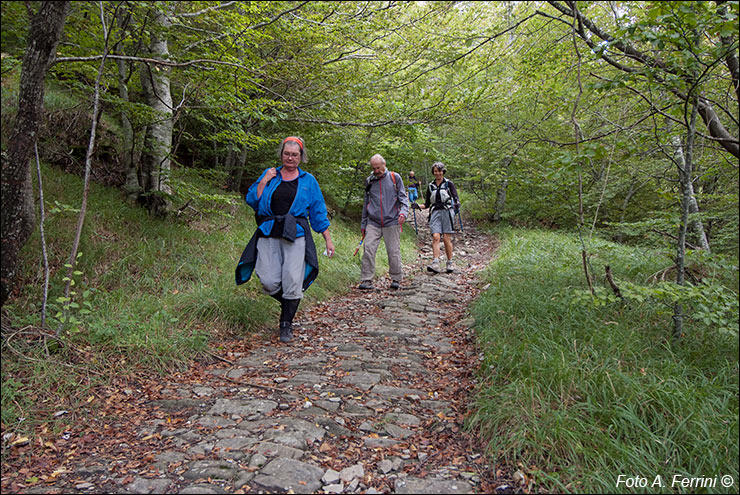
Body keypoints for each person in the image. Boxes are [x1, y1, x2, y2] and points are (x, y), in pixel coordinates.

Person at [235, 136, 335, 343]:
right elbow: (253, 200)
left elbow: (318, 211)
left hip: (295, 234)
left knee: (292, 279)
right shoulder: (270, 174)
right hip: (269, 230)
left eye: (294, 155)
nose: (290, 158)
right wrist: (264, 180)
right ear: (281, 155)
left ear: (301, 157)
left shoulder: (308, 181)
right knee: (269, 281)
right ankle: (289, 301)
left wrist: (327, 239)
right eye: (286, 154)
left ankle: (285, 324)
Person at [358, 154, 409, 291]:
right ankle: (366, 279)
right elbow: (366, 203)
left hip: (391, 220)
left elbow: (403, 199)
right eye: (374, 168)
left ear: (384, 164)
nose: (376, 171)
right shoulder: (370, 180)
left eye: (378, 168)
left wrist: (403, 213)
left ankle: (396, 278)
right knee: (368, 249)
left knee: (393, 251)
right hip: (373, 222)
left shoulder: (395, 178)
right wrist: (363, 224)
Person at [414, 161, 460, 274]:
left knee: (446, 238)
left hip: (447, 212)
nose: (437, 173)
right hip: (435, 213)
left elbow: (456, 198)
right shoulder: (430, 186)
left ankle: (450, 262)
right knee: (435, 237)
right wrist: (417, 206)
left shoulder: (449, 184)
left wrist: (457, 204)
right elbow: (427, 204)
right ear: (433, 172)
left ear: (443, 171)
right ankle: (435, 262)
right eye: (435, 171)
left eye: (439, 171)